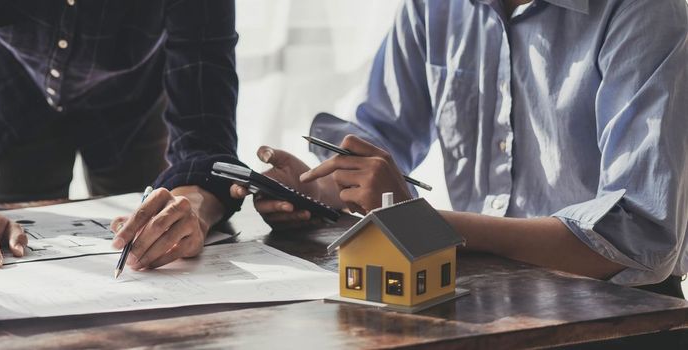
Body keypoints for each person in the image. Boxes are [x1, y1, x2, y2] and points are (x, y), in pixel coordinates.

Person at [234, 0, 688, 297]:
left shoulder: (644, 11)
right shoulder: (433, 7)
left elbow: (640, 238)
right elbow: (380, 147)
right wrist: (316, 190)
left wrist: (427, 226)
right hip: (484, 296)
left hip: (621, 311)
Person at [0, 0, 245, 272]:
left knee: (157, 234)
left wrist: (194, 205)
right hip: (10, 97)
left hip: (132, 103)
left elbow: (205, 109)